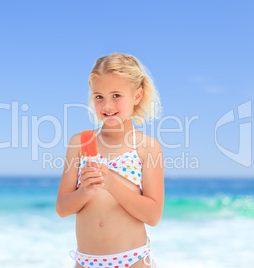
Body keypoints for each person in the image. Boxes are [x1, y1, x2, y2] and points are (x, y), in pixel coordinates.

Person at [56, 52, 164, 268]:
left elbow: (153, 216)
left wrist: (112, 183)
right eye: (99, 97)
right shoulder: (79, 143)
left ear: (136, 96)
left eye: (116, 95)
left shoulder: (147, 147)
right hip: (86, 262)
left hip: (132, 260)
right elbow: (62, 208)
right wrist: (85, 191)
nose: (107, 106)